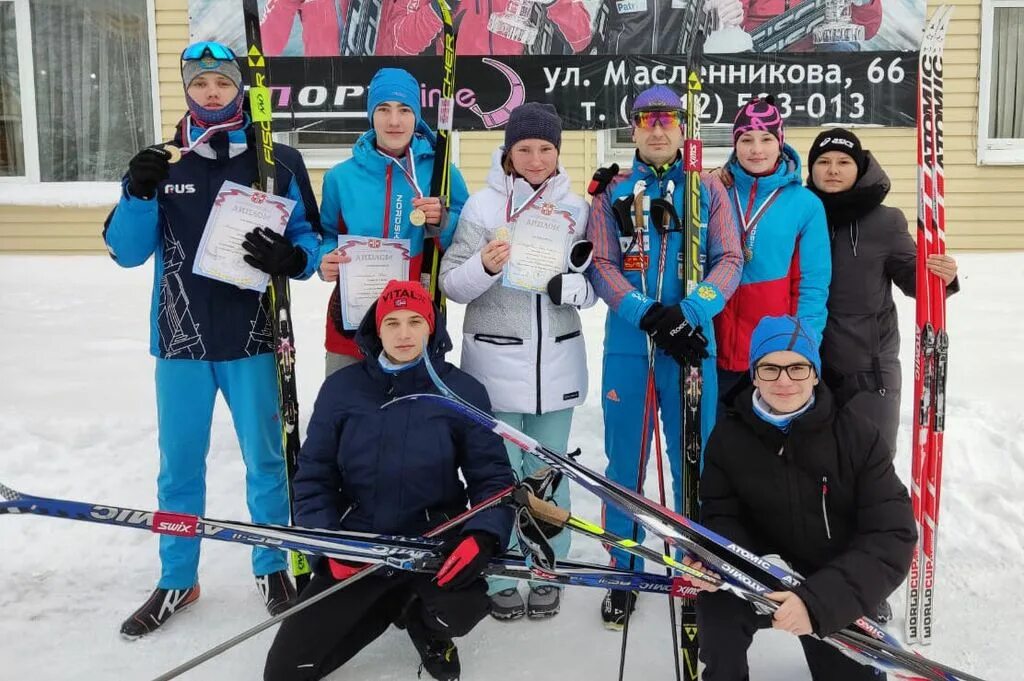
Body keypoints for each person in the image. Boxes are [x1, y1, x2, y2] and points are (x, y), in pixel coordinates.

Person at [102, 41, 322, 638]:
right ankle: (178, 577)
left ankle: (272, 565)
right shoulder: (161, 160)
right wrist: (138, 194)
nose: (212, 92)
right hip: (180, 342)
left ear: (240, 88)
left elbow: (314, 243)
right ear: (186, 89)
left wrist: (294, 256)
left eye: (222, 82)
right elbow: (125, 251)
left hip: (253, 338)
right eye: (199, 83)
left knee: (267, 461)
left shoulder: (275, 159)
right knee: (179, 468)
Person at [263, 280, 515, 681]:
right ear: (376, 329)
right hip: (360, 545)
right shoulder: (342, 389)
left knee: (459, 608)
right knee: (285, 672)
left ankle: (429, 626)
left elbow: (495, 480)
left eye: (415, 321)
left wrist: (483, 536)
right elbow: (312, 478)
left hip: (433, 545)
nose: (403, 333)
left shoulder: (461, 391)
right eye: (392, 322)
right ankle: (391, 605)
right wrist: (329, 546)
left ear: (431, 327)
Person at [586, 84, 743, 626]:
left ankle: (692, 573)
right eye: (647, 119)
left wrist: (692, 311)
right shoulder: (612, 190)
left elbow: (730, 258)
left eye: (668, 119)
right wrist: (644, 311)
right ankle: (624, 571)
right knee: (623, 466)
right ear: (633, 128)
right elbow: (601, 263)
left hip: (690, 347)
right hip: (630, 347)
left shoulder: (707, 189)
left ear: (682, 128)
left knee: (691, 464)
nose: (658, 128)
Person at [692, 314, 916, 681]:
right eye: (770, 369)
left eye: (797, 368)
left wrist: (816, 602)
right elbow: (721, 516)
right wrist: (720, 561)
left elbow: (892, 536)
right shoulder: (728, 438)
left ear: (815, 373)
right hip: (761, 570)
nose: (784, 381)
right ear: (753, 375)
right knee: (718, 616)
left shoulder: (858, 435)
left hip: (833, 578)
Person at [439, 102, 593, 620]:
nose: (534, 158)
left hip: (557, 368)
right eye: (524, 148)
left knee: (550, 472)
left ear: (557, 153)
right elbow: (450, 283)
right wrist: (484, 264)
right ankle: (502, 567)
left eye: (545, 149)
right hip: (495, 369)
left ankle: (548, 563)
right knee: (500, 474)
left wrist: (571, 287)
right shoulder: (482, 209)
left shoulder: (577, 209)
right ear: (508, 151)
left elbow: (593, 286)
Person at [806, 128, 959, 453]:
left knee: (870, 467)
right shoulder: (800, 214)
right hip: (805, 367)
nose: (833, 170)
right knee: (812, 470)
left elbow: (913, 280)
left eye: (844, 161)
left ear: (859, 167)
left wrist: (940, 277)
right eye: (824, 161)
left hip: (868, 373)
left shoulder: (885, 221)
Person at [318, 67, 470, 377]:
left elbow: (467, 236)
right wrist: (324, 259)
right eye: (383, 110)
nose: (394, 121)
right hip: (353, 314)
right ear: (371, 115)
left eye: (404, 110)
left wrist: (443, 220)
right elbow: (326, 236)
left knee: (409, 416)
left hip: (412, 318)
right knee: (347, 412)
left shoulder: (442, 172)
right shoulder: (340, 178)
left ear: (417, 116)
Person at [714, 96, 830, 414]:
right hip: (712, 350)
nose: (756, 149)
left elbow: (812, 286)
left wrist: (801, 349)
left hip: (773, 356)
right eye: (746, 139)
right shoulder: (714, 191)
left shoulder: (805, 204)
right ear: (734, 145)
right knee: (715, 447)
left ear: (780, 143)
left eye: (766, 139)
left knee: (767, 451)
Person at [370, 0, 592, 56]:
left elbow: (582, 39)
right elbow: (397, 45)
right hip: (457, 95)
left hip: (522, 92)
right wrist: (440, 8)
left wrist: (554, 2)